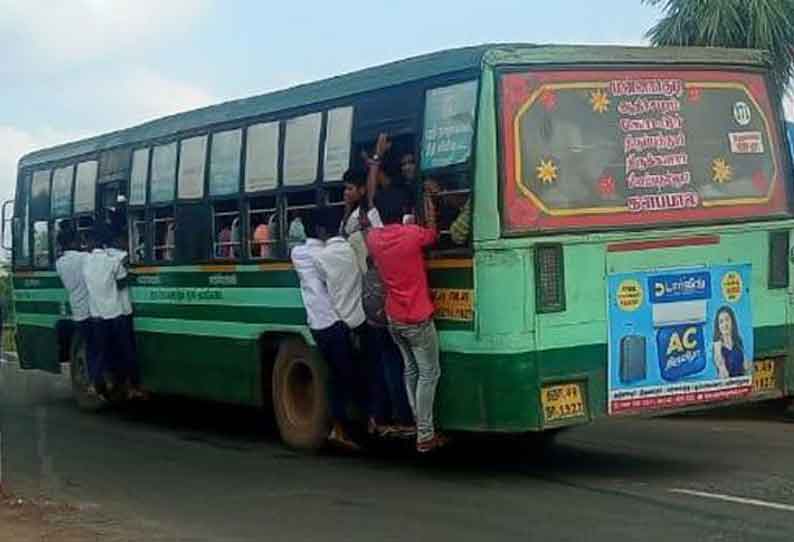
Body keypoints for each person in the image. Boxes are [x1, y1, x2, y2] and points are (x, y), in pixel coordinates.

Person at [366, 141, 448, 453]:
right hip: (416, 317)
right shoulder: (411, 236)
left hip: (393, 318)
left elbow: (373, 204)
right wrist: (428, 199)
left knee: (410, 369)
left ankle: (417, 424)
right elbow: (434, 234)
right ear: (403, 213)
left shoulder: (375, 239)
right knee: (430, 372)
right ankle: (425, 434)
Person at [291, 210, 359, 451]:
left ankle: (337, 427)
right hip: (334, 322)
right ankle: (341, 428)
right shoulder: (325, 254)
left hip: (316, 324)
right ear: (322, 231)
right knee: (346, 375)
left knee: (335, 375)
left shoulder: (297, 253)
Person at [106, 226, 146, 400]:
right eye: (125, 239)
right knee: (127, 351)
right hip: (122, 311)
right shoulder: (121, 257)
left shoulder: (97, 259)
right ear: (119, 240)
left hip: (106, 312)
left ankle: (117, 385)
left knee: (114, 350)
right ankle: (131, 386)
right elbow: (122, 283)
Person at [55, 222, 95, 392]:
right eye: (79, 240)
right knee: (95, 348)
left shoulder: (60, 263)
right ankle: (96, 382)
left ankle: (93, 380)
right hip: (91, 310)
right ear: (72, 242)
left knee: (88, 346)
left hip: (77, 310)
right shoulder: (83, 258)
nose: (81, 243)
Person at [713, 306, 749, 378]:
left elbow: (747, 367)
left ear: (732, 321)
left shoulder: (738, 342)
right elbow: (724, 374)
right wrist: (718, 351)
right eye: (721, 322)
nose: (725, 324)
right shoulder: (717, 347)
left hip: (741, 383)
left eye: (727, 319)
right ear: (718, 326)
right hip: (727, 386)